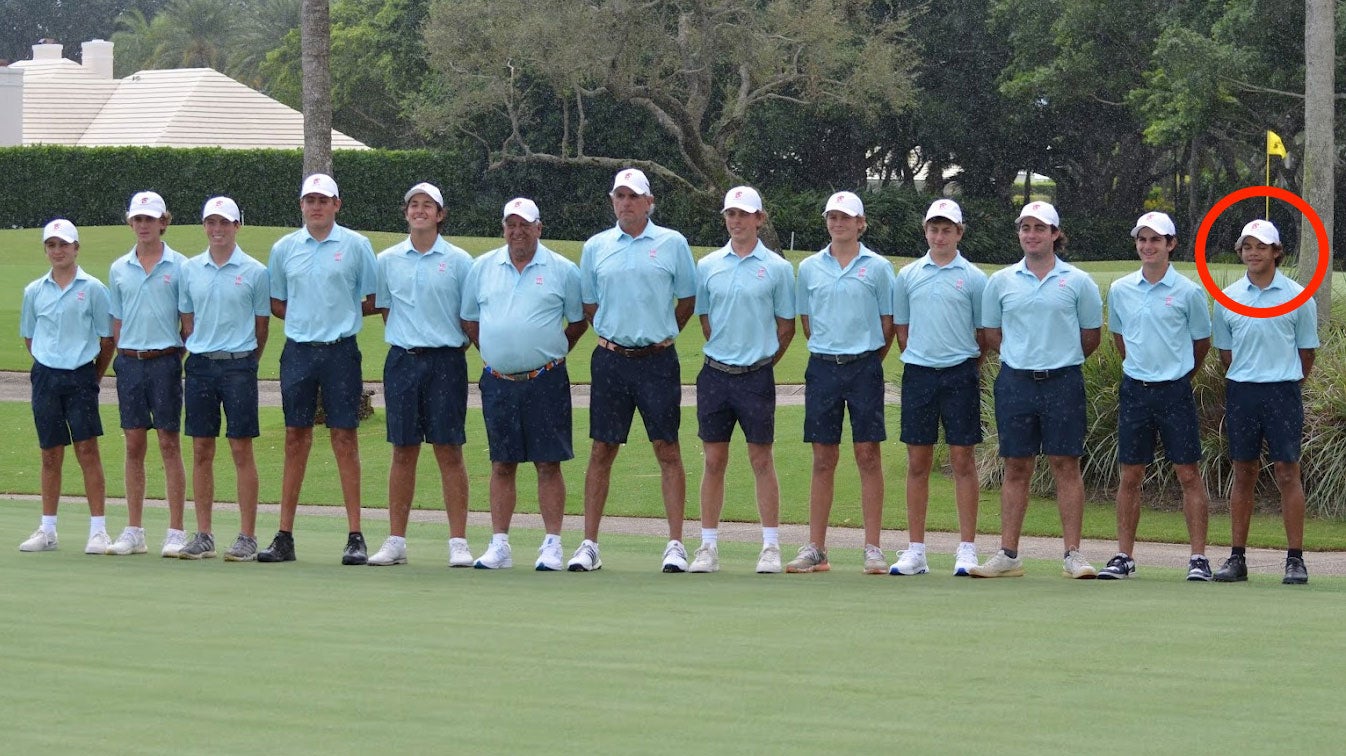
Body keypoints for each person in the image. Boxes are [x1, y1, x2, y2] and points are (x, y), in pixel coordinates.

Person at [568, 169, 697, 573]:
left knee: (667, 448)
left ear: (649, 201)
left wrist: (660, 332)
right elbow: (590, 305)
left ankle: (675, 543)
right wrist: (617, 334)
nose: (625, 202)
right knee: (601, 449)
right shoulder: (596, 247)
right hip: (610, 361)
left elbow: (687, 299)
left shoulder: (672, 243)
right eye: (619, 196)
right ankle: (589, 543)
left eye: (633, 196)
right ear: (613, 201)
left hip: (658, 361)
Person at [971, 201, 1102, 579]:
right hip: (1016, 382)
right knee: (1016, 465)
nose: (1031, 234)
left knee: (1066, 464)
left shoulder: (1077, 281)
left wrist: (1057, 357)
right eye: (1025, 227)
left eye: (1040, 228)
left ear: (1055, 234)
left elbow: (1090, 336)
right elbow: (991, 334)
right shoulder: (1002, 281)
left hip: (1063, 381)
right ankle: (1008, 554)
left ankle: (1073, 555)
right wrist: (1023, 356)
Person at [462, 198, 588, 570]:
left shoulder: (563, 270)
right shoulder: (482, 267)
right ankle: (499, 543)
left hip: (545, 379)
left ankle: (552, 544)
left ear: (539, 228)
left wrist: (553, 349)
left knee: (548, 463)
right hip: (498, 381)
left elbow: (578, 322)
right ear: (503, 228)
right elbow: (470, 319)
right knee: (502, 463)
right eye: (510, 225)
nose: (517, 232)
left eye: (524, 225)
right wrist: (494, 351)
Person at [260, 173, 378, 564]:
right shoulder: (284, 248)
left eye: (323, 200)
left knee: (345, 438)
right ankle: (284, 536)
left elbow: (372, 297)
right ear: (301, 206)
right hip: (298, 352)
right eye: (309, 200)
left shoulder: (357, 246)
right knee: (296, 437)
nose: (316, 206)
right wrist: (308, 318)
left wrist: (337, 316)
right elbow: (277, 302)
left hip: (341, 352)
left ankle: (356, 535)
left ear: (336, 205)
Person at [687, 187, 796, 574]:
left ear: (759, 220)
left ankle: (770, 546)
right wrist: (727, 351)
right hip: (715, 375)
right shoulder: (708, 265)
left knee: (760, 459)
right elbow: (705, 318)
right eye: (731, 214)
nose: (736, 221)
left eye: (744, 215)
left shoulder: (778, 269)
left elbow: (786, 328)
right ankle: (708, 546)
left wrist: (761, 362)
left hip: (756, 377)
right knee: (713, 460)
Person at [366, 183, 475, 568]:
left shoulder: (461, 261)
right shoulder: (388, 260)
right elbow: (384, 308)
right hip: (402, 362)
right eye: (414, 205)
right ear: (406, 213)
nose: (420, 210)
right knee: (403, 450)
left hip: (446, 362)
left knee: (449, 450)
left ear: (440, 214)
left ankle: (458, 541)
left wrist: (445, 345)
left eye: (428, 205)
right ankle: (396, 540)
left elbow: (469, 316)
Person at [787, 191, 894, 574]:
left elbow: (887, 324)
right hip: (823, 368)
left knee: (868, 455)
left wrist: (863, 357)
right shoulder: (811, 268)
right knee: (822, 458)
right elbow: (807, 323)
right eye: (832, 216)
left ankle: (873, 547)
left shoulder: (879, 268)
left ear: (860, 223)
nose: (838, 223)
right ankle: (816, 547)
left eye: (845, 217)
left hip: (864, 367)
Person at [1102, 211, 1212, 581]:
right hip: (1135, 389)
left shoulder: (1188, 292)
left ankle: (1198, 558)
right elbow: (1121, 339)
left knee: (1188, 473)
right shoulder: (1120, 289)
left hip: (1175, 391)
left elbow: (1202, 343)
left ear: (1171, 244)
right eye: (1142, 239)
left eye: (1155, 240)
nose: (1147, 246)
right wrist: (1143, 369)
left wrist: (1177, 374)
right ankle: (1124, 556)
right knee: (1130, 474)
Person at [1211, 219, 1318, 584]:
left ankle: (1295, 560)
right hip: (1242, 391)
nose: (1252, 252)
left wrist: (1280, 378)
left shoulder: (1298, 295)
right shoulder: (1227, 297)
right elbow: (1225, 353)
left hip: (1283, 392)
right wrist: (1251, 375)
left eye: (1261, 246)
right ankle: (1237, 558)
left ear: (1276, 251)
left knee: (1288, 472)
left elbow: (1306, 354)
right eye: (1246, 246)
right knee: (1243, 473)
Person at [889, 199, 987, 577]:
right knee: (918, 462)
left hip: (960, 374)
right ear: (925, 231)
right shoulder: (909, 275)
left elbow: (983, 334)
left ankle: (967, 549)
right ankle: (916, 550)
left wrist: (960, 363)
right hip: (919, 374)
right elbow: (903, 329)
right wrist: (925, 358)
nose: (940, 235)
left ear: (959, 233)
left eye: (947, 229)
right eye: (934, 228)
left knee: (962, 460)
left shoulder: (975, 278)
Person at [175, 197, 270, 561]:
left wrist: (244, 359)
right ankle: (203, 534)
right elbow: (187, 320)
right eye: (211, 222)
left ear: (237, 226)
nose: (217, 229)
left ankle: (246, 535)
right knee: (201, 449)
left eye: (224, 223)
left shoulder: (255, 271)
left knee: (241, 448)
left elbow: (262, 327)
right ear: (204, 226)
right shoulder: (190, 270)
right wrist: (203, 347)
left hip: (239, 366)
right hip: (199, 365)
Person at [18, 220, 116, 554]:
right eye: (51, 245)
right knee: (50, 453)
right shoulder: (34, 290)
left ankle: (98, 531)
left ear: (76, 247)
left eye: (64, 245)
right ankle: (47, 530)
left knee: (87, 450)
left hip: (81, 375)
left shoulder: (93, 288)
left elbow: (107, 339)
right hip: (46, 376)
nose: (57, 251)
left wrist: (93, 376)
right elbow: (30, 336)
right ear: (46, 249)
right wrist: (51, 360)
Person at [106, 191, 189, 557]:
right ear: (131, 223)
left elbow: (188, 324)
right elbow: (117, 321)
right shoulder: (119, 268)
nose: (143, 225)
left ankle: (175, 530)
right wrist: (127, 355)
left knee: (169, 444)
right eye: (137, 219)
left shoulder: (180, 266)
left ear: (163, 222)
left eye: (149, 219)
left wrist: (170, 353)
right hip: (129, 363)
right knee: (134, 445)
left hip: (165, 361)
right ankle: (134, 529)